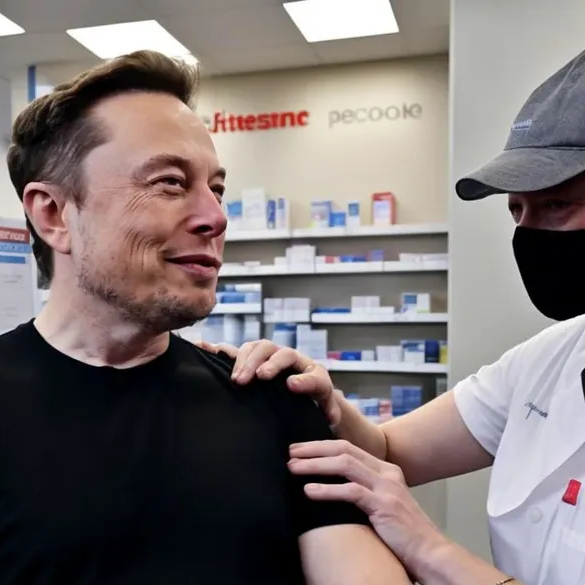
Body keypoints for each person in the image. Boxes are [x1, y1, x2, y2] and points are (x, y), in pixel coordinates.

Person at [0, 51, 410, 585]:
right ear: (54, 214)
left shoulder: (273, 398)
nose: (215, 217)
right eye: (169, 182)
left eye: (216, 189)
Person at [199, 49, 585, 585]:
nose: (528, 232)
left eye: (556, 205)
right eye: (517, 210)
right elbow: (390, 449)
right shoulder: (549, 362)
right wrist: (327, 404)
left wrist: (426, 544)